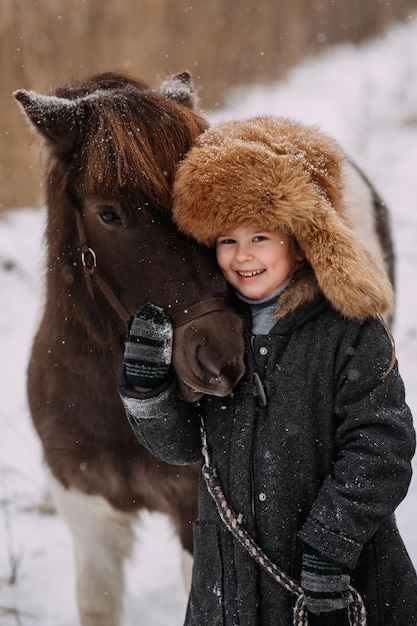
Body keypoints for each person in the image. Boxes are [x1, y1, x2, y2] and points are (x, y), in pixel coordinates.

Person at [118, 116, 417, 625]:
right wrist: (149, 391)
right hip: (228, 589)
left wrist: (330, 548)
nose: (243, 256)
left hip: (337, 585)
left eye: (260, 236)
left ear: (301, 241)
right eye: (227, 240)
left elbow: (382, 448)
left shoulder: (347, 332)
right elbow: (188, 446)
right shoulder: (217, 334)